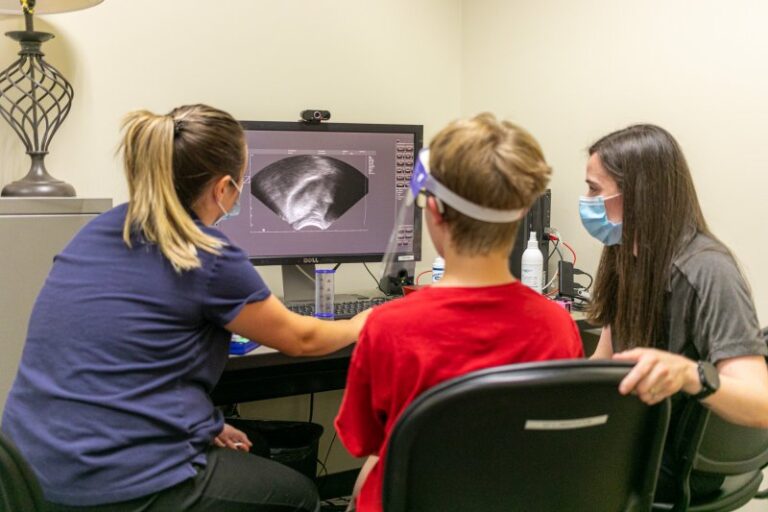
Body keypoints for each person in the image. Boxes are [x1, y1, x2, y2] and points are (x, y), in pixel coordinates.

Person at [1, 104, 369, 512]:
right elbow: (303, 339)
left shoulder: (99, 230)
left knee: (251, 454)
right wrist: (364, 322)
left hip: (26, 473)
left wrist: (206, 425)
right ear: (223, 188)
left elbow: (119, 369)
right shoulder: (206, 253)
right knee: (299, 496)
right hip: (108, 484)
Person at [334, 113, 585, 512]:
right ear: (523, 212)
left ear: (433, 210)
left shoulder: (388, 326)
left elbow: (364, 442)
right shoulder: (558, 325)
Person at [582, 124, 768, 500]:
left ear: (635, 195)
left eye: (594, 189)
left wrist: (689, 374)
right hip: (640, 442)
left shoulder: (708, 270)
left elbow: (761, 404)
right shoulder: (626, 255)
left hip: (677, 468)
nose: (586, 200)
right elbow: (604, 362)